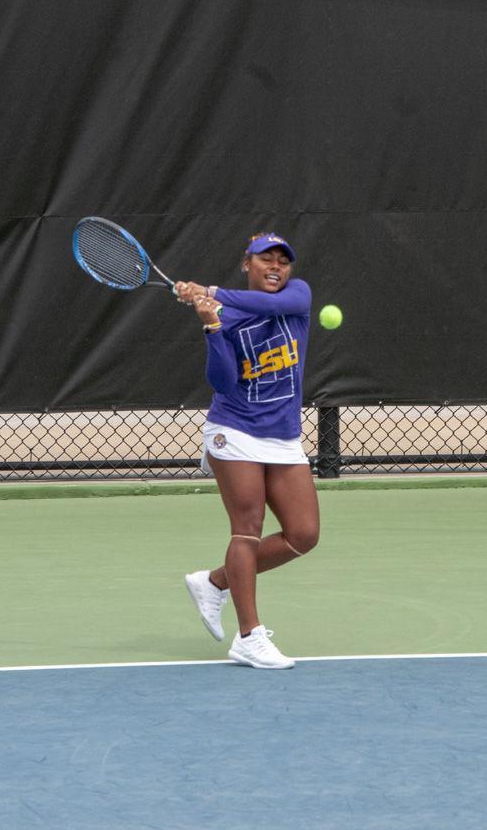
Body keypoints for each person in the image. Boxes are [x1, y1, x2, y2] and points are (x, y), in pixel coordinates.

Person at [175, 232, 319, 669]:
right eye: (265, 259)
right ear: (246, 264)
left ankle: (216, 582)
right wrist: (212, 326)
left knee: (303, 534)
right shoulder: (227, 315)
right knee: (247, 527)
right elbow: (222, 380)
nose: (275, 266)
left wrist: (212, 292)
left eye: (282, 260)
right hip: (234, 431)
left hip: (282, 435)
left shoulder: (297, 296)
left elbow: (272, 307)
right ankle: (249, 636)